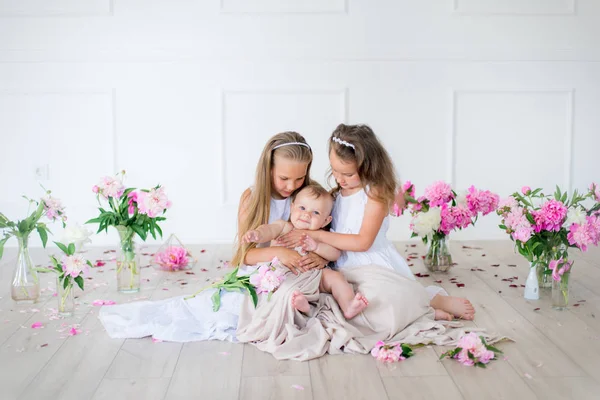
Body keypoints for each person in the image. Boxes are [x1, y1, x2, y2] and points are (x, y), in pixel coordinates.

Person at [277, 124, 475, 320]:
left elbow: (363, 242)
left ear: (368, 167)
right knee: (342, 300)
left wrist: (314, 235)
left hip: (372, 264)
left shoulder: (373, 194)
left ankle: (431, 302)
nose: (339, 179)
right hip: (342, 265)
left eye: (348, 174)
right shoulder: (335, 195)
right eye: (335, 170)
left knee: (377, 302)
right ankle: (421, 308)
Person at [243, 183, 369, 319]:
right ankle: (304, 306)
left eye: (316, 212)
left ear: (326, 221)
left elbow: (335, 254)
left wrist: (316, 247)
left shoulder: (320, 235)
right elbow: (269, 230)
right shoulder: (284, 227)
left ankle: (348, 305)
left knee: (335, 278)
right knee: (281, 289)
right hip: (288, 274)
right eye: (302, 208)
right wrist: (258, 234)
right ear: (292, 208)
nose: (306, 214)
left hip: (315, 277)